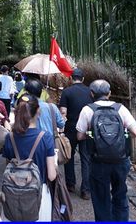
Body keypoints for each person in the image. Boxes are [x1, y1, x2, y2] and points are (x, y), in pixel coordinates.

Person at [76, 79, 136, 222]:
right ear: (109, 93)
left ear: (92, 94)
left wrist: (94, 135)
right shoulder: (120, 108)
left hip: (98, 161)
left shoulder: (88, 110)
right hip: (120, 160)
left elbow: (79, 136)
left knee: (100, 197)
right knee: (120, 194)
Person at [1, 95, 57, 222]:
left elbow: (8, 167)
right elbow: (51, 176)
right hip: (38, 194)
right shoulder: (46, 137)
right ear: (38, 111)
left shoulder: (10, 137)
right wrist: (55, 164)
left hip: (12, 194)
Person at [58, 67, 93, 200]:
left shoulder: (67, 92)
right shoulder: (90, 92)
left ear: (71, 78)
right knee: (86, 158)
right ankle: (86, 190)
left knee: (69, 155)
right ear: (83, 79)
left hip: (71, 128)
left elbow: (63, 112)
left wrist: (61, 129)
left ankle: (70, 184)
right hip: (86, 129)